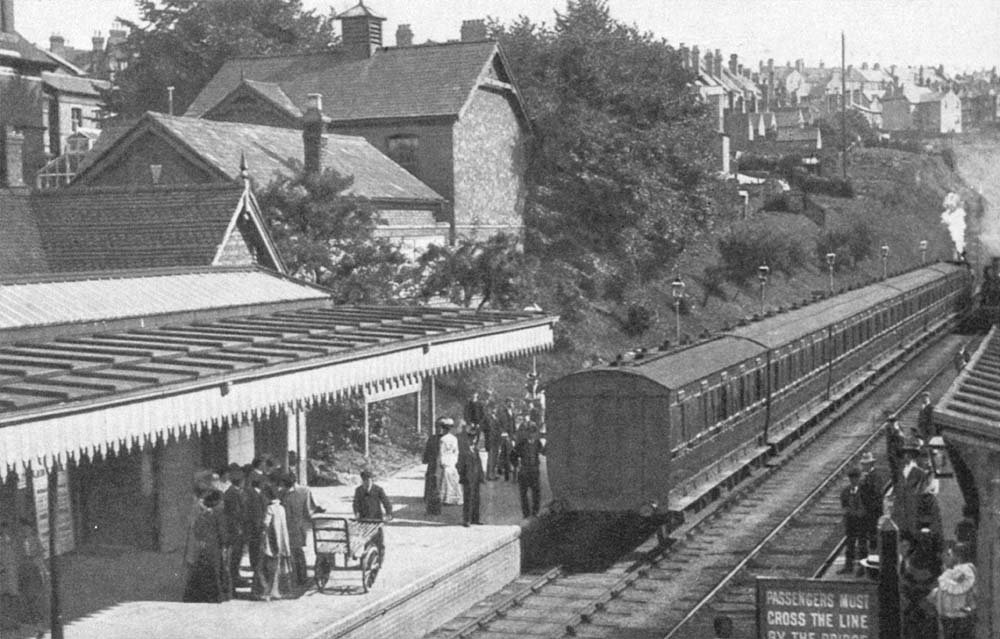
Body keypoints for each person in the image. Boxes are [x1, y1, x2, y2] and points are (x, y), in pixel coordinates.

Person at [183, 490, 227, 603]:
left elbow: (197, 530)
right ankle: (214, 596)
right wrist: (224, 544)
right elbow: (221, 532)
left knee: (202, 570)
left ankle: (197, 596)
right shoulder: (217, 514)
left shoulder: (202, 514)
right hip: (214, 545)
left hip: (203, 545)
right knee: (214, 571)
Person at [281, 472, 321, 588]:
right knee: (298, 552)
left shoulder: (282, 494)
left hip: (288, 527)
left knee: (293, 553)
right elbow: (308, 511)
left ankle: (296, 578)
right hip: (299, 527)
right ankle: (301, 578)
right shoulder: (305, 491)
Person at [929, 543, 976, 639]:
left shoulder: (965, 572)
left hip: (960, 619)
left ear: (957, 556)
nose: (947, 557)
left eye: (949, 554)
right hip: (949, 619)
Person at [254, 483, 292, 601]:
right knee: (275, 569)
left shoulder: (270, 508)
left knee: (263, 568)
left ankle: (265, 592)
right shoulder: (281, 508)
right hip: (280, 541)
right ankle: (275, 591)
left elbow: (266, 524)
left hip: (269, 542)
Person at [353, 470, 392, 560]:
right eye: (365, 481)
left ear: (372, 480)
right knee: (366, 540)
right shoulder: (359, 490)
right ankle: (367, 560)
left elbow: (386, 502)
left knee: (379, 541)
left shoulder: (378, 490)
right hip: (364, 519)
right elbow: (355, 503)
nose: (367, 483)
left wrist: (389, 513)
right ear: (362, 481)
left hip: (376, 519)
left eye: (369, 480)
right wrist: (356, 513)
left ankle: (380, 560)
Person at [220, 464, 245, 596]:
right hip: (235, 531)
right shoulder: (233, 493)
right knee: (233, 559)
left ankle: (233, 583)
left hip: (234, 529)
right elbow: (235, 513)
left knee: (235, 559)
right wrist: (239, 528)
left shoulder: (231, 492)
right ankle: (231, 587)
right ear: (240, 482)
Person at [512, 425, 546, 518]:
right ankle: (526, 513)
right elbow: (513, 454)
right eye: (529, 433)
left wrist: (548, 445)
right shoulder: (521, 444)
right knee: (523, 493)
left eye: (533, 433)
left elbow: (543, 452)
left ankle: (535, 512)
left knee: (536, 492)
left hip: (534, 471)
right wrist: (516, 465)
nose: (531, 435)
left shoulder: (538, 443)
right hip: (524, 471)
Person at [838, 466, 867, 575]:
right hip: (851, 522)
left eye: (855, 478)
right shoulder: (846, 491)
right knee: (850, 544)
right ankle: (848, 566)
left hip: (862, 521)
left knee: (862, 544)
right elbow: (844, 506)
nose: (853, 480)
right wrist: (849, 512)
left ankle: (862, 567)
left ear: (859, 478)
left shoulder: (865, 490)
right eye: (851, 478)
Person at [458, 433, 486, 526]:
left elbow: (479, 464)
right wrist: (463, 476)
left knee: (476, 499)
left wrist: (481, 476)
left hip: (476, 478)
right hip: (468, 478)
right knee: (468, 499)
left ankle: (475, 519)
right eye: (471, 439)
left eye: (474, 439)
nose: (473, 441)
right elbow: (460, 465)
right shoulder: (464, 451)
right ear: (467, 440)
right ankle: (467, 520)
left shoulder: (475, 450)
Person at [858, 452, 883, 557]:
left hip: (873, 511)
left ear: (871, 464)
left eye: (866, 464)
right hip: (864, 511)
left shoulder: (876, 476)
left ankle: (873, 556)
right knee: (862, 536)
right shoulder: (862, 477)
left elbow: (876, 493)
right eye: (863, 464)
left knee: (873, 535)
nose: (864, 466)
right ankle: (863, 557)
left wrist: (865, 484)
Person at [438, 419, 463, 506]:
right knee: (454, 478)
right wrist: (455, 460)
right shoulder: (454, 438)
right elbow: (456, 451)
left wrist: (442, 462)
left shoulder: (443, 439)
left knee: (446, 479)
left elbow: (442, 452)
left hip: (446, 459)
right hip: (452, 459)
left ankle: (448, 499)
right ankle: (456, 498)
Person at [423, 420, 444, 514]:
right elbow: (427, 450)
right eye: (437, 427)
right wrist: (425, 459)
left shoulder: (445, 439)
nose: (439, 429)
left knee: (438, 486)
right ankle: (429, 507)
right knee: (431, 484)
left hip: (441, 465)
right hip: (432, 464)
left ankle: (436, 508)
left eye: (441, 428)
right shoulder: (432, 438)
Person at [884, 416, 906, 485]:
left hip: (898, 455)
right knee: (893, 471)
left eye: (892, 422)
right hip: (892, 454)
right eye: (890, 422)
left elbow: (901, 444)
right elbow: (888, 442)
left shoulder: (898, 431)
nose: (890, 424)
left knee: (898, 471)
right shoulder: (890, 430)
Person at [482, 405, 501, 480]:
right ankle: (489, 475)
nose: (494, 410)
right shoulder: (487, 418)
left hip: (496, 440)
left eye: (495, 409)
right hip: (490, 440)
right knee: (490, 458)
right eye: (493, 408)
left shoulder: (496, 418)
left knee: (495, 458)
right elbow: (485, 428)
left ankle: (493, 474)